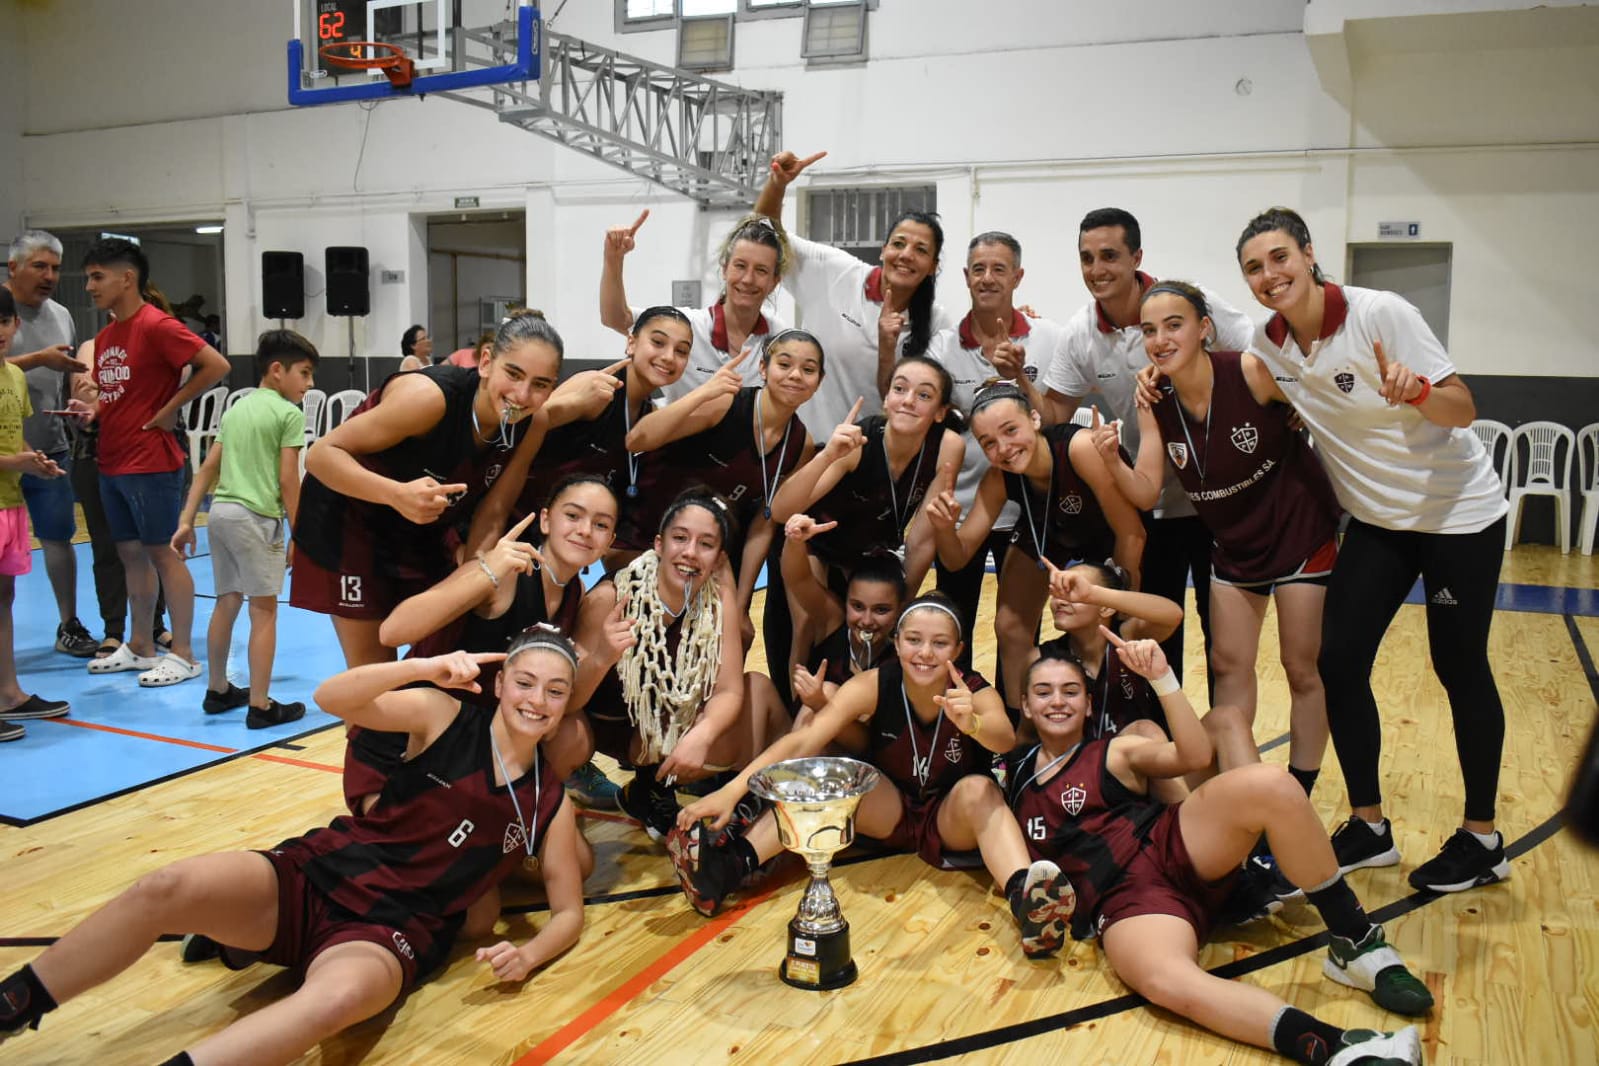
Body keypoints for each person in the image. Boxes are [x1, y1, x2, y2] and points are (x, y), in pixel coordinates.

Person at [0, 628, 587, 1064]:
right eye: (526, 682)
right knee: (164, 886)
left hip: (389, 931)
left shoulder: (549, 802)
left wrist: (529, 957)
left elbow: (568, 913)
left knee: (334, 1001)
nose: (537, 699)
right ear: (502, 682)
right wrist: (424, 668)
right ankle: (17, 1001)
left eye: (555, 691)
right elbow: (333, 696)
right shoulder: (444, 714)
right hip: (321, 873)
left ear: (566, 703)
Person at [1236, 207, 1511, 894]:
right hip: (1377, 522)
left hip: (1456, 515)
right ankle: (1367, 827)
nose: (1269, 275)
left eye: (1278, 258)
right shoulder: (1265, 344)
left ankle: (1483, 838)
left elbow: (1462, 407)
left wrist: (1415, 390)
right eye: (1253, 267)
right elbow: (1255, 382)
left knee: (1457, 665)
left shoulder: (1379, 313)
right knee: (1338, 661)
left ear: (1306, 253)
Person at [1007, 648, 1430, 1065]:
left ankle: (1355, 941)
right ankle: (1342, 1050)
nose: (1058, 701)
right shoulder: (1015, 781)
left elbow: (1192, 756)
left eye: (1071, 691)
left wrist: (1163, 679)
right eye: (1043, 692)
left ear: (1086, 705)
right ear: (1024, 705)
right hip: (1129, 901)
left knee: (1271, 785)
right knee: (1165, 980)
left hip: (1173, 843)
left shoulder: (1113, 750)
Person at [670, 593, 1077, 960]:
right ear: (897, 642)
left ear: (959, 650)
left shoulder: (969, 688)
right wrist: (731, 789)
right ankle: (726, 867)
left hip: (950, 818)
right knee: (833, 773)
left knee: (981, 788)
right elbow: (804, 740)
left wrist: (970, 721)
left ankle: (1027, 901)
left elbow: (1004, 740)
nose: (925, 653)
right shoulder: (874, 683)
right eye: (914, 640)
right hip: (892, 809)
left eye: (939, 644)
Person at [1096, 280, 1339, 793]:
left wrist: (1299, 411)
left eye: (1174, 324)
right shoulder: (1153, 398)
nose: (1160, 339)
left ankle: (1300, 790)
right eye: (1149, 330)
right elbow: (1144, 492)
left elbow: (1321, 399)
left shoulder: (1250, 371)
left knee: (1302, 667)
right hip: (1233, 544)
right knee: (1228, 665)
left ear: (1205, 329)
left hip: (1299, 533)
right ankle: (1239, 786)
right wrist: (1107, 458)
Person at [1039, 208, 1257, 687]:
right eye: (1087, 258)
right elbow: (1052, 415)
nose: (1097, 269)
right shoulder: (1081, 332)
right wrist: (1016, 379)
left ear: (1137, 257)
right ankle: (1161, 736)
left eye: (1110, 256)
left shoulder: (1194, 303)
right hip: (1151, 499)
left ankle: (1223, 740)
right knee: (1155, 634)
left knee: (1225, 643)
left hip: (1219, 502)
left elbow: (1260, 360)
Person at [291, 309, 562, 669]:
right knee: (376, 670)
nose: (523, 393)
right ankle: (367, 725)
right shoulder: (428, 398)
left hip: (419, 528)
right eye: (513, 374)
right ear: (485, 363)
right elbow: (322, 456)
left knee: (443, 650)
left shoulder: (532, 422)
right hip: (350, 522)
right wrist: (395, 494)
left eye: (540, 384)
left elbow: (494, 509)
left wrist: (478, 574)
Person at [363, 475, 621, 814]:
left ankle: (517, 808)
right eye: (573, 516)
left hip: (480, 738)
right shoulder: (506, 573)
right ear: (545, 519)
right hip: (415, 737)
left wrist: (603, 657)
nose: (586, 530)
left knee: (573, 736)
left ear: (611, 540)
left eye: (600, 524)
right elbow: (392, 632)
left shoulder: (574, 593)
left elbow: (567, 704)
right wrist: (486, 571)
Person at [925, 383, 1144, 709]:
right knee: (1010, 626)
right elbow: (958, 558)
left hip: (1110, 534)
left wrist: (1125, 607)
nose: (1004, 448)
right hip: (1050, 527)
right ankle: (1021, 736)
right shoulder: (998, 478)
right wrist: (943, 529)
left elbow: (1132, 534)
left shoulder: (1080, 449)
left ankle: (1120, 712)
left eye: (1011, 430)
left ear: (1036, 419)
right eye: (989, 443)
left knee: (1119, 629)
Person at [571, 490, 769, 841]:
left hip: (668, 721)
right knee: (569, 738)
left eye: (706, 544)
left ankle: (752, 802)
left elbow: (729, 690)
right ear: (659, 545)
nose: (690, 552)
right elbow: (568, 700)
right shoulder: (610, 598)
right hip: (609, 727)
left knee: (760, 692)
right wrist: (603, 656)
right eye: (680, 538)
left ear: (719, 557)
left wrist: (703, 736)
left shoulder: (713, 599)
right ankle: (545, 809)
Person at [80, 237, 231, 687]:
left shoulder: (157, 324)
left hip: (151, 461)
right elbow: (120, 396)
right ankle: (141, 645)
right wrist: (94, 412)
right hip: (112, 459)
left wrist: (171, 408)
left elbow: (215, 365)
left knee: (163, 555)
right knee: (130, 555)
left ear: (127, 278)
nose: (89, 286)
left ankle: (183, 653)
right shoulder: (107, 336)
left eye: (97, 277)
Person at [618, 329, 822, 642]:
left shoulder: (800, 444)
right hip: (647, 536)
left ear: (818, 382)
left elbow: (763, 524)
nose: (795, 375)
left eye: (808, 370)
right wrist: (704, 392)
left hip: (705, 554)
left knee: (730, 638)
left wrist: (740, 606)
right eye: (785, 364)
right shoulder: (725, 404)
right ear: (764, 369)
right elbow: (637, 440)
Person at [924, 231, 1064, 669]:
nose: (988, 278)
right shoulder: (942, 347)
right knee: (954, 628)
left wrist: (1022, 377)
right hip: (964, 510)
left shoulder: (1050, 337)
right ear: (966, 277)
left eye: (999, 269)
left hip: (1028, 512)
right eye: (979, 269)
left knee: (1020, 630)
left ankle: (1016, 725)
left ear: (1017, 276)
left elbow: (1056, 421)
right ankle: (957, 726)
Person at [771, 355, 964, 674]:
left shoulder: (948, 446)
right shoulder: (859, 442)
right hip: (814, 541)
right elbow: (781, 510)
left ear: (941, 412)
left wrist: (902, 607)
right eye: (900, 389)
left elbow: (922, 539)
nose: (909, 401)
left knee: (877, 630)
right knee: (808, 627)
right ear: (887, 398)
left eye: (925, 395)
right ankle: (799, 711)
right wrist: (829, 454)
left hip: (870, 550)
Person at [753, 150, 955, 441]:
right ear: (883, 249)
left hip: (873, 455)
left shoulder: (936, 320)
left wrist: (888, 348)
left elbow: (909, 399)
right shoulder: (833, 271)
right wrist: (777, 183)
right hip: (807, 445)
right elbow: (764, 234)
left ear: (933, 267)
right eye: (899, 244)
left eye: (921, 250)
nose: (906, 256)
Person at [172, 330, 319, 728]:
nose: (310, 384)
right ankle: (260, 705)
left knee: (227, 601)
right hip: (256, 519)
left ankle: (218, 689)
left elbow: (206, 468)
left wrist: (187, 520)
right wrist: (299, 535)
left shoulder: (237, 409)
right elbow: (290, 481)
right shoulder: (288, 414)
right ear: (276, 371)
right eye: (304, 374)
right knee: (264, 612)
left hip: (220, 514)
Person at [470, 307, 695, 565]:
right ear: (631, 343)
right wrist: (576, 401)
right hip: (511, 518)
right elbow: (525, 422)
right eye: (658, 342)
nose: (669, 357)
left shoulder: (649, 413)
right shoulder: (595, 384)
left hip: (559, 535)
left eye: (681, 351)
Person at [3, 230, 97, 658]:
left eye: (56, 268)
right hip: (5, 455)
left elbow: (69, 372)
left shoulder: (60, 314)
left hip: (48, 449)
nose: (49, 276)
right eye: (39, 266)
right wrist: (38, 359)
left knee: (58, 537)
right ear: (13, 268)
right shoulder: (1, 311)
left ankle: (68, 624)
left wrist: (80, 394)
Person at [600, 212, 792, 405]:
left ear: (775, 281)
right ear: (725, 269)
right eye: (740, 266)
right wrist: (613, 258)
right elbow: (616, 318)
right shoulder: (686, 326)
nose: (748, 279)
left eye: (761, 270)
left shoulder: (779, 336)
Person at [0, 286, 71, 741]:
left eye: (4, 323)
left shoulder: (13, 376)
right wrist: (16, 463)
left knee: (3, 598)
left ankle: (9, 692)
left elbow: (14, 437)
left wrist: (34, 460)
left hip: (9, 504)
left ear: (15, 326)